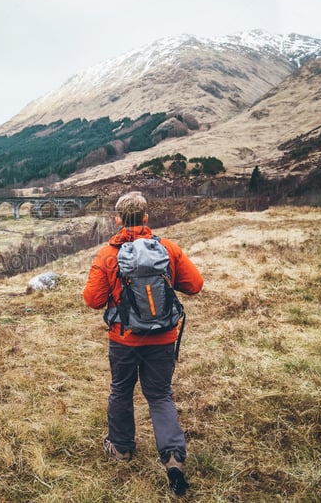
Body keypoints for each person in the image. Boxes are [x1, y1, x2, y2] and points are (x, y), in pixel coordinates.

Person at [83, 191, 203, 496]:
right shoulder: (168, 249)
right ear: (146, 218)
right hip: (163, 338)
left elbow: (93, 300)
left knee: (121, 391)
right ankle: (174, 459)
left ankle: (121, 449)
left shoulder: (107, 255)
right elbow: (195, 285)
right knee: (160, 395)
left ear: (118, 220)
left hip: (124, 339)